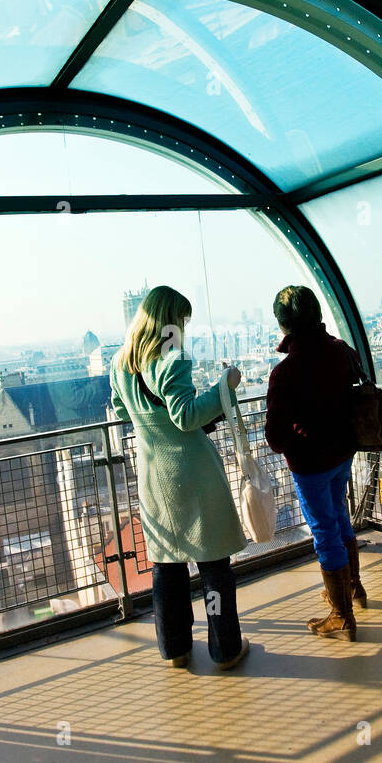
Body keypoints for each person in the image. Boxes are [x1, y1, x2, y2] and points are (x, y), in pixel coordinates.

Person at [109, 285, 251, 670]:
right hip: (192, 472)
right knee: (213, 566)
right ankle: (224, 649)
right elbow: (186, 416)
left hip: (154, 475)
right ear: (171, 320)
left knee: (166, 567)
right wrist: (226, 387)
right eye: (183, 320)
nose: (184, 328)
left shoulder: (120, 363)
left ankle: (175, 648)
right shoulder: (172, 359)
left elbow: (122, 409)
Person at [264, 284, 365, 642]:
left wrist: (296, 436)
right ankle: (352, 587)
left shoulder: (286, 372)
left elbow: (276, 437)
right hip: (343, 452)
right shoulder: (340, 351)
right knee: (339, 517)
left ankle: (342, 615)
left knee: (324, 532)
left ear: (283, 325)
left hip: (311, 463)